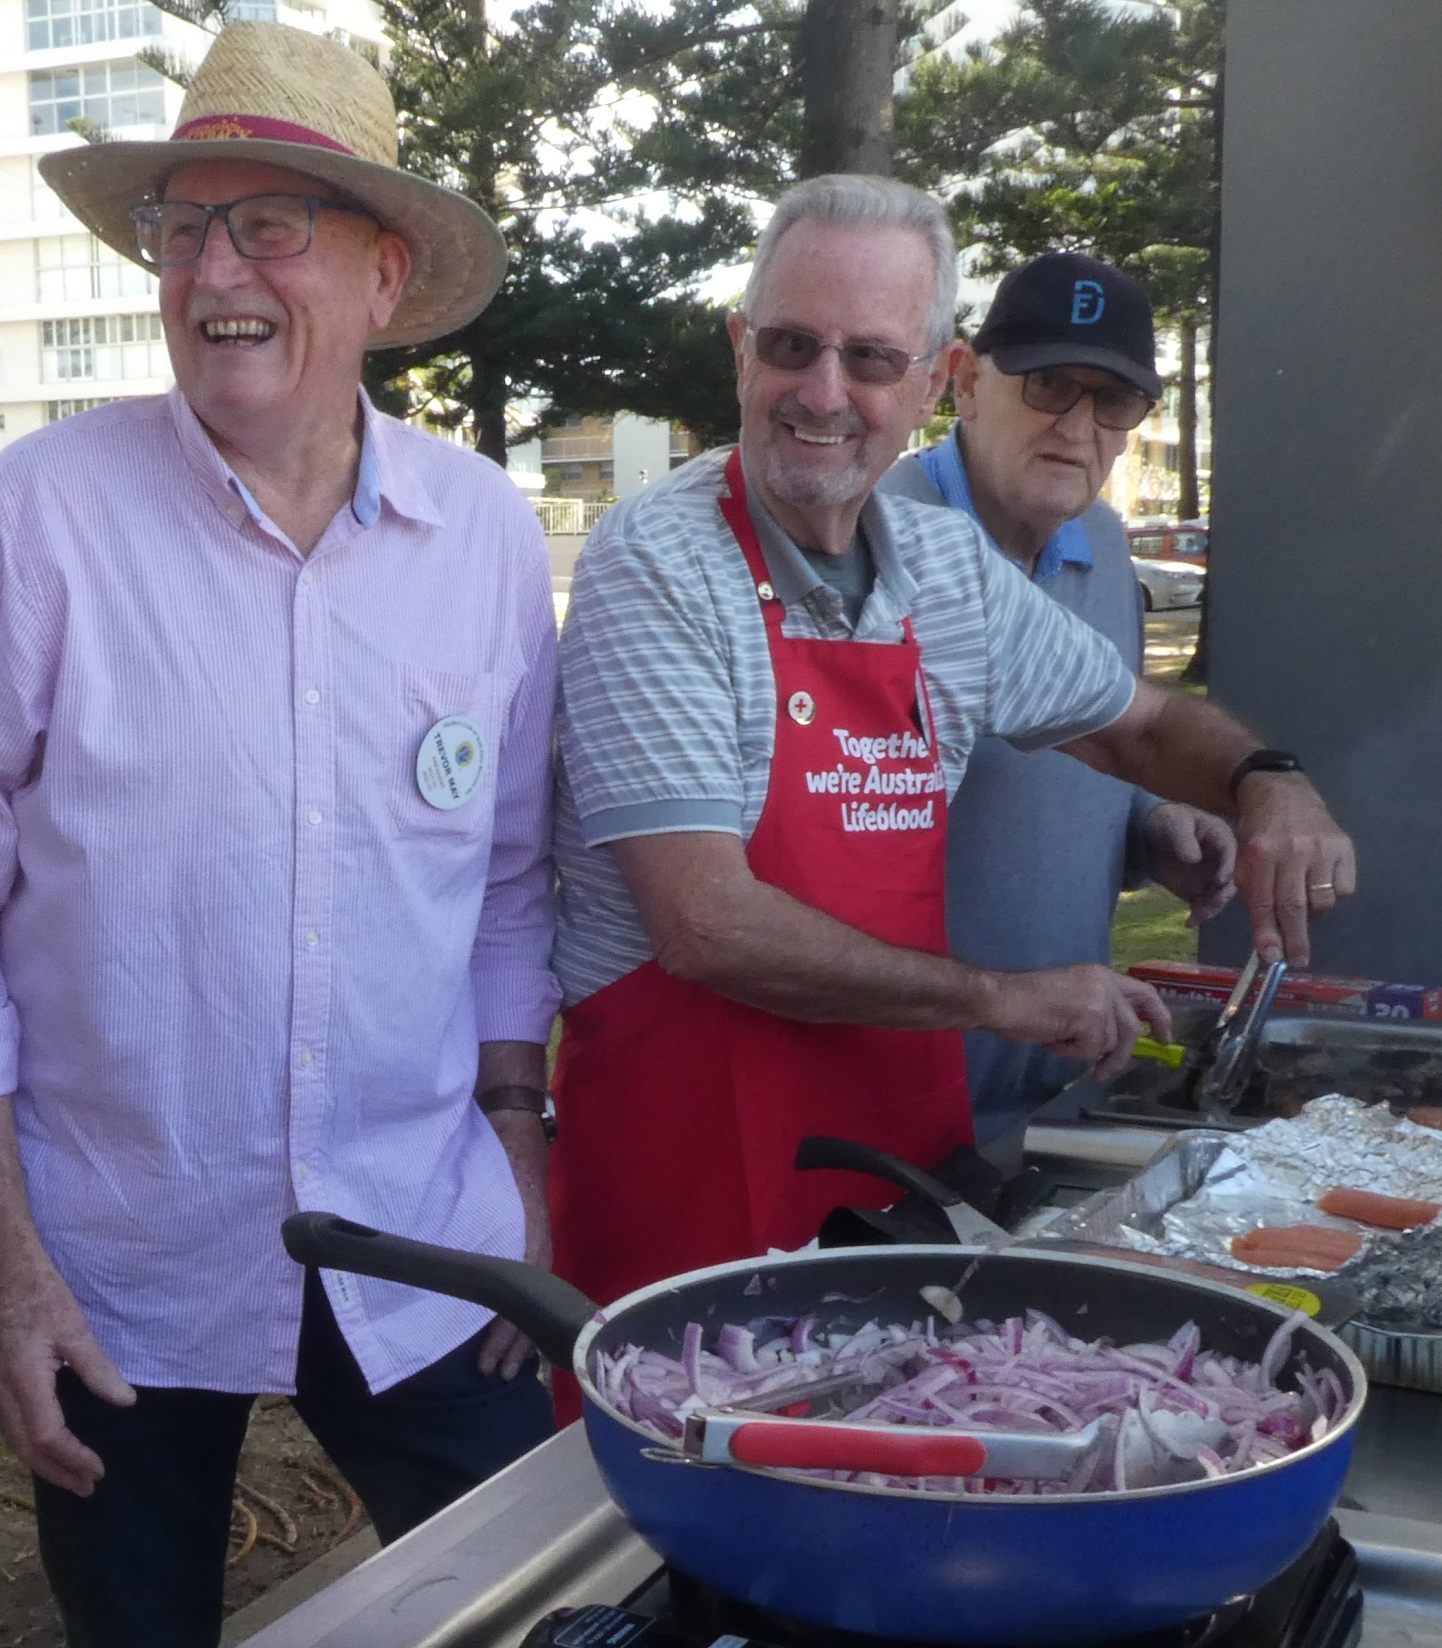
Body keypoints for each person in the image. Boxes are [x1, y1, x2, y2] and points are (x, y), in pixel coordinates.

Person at [0, 21, 559, 1648]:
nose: (214, 272)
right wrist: (8, 1265)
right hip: (114, 1250)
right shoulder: (41, 516)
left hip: (418, 1225)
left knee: (539, 1646)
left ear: (384, 275)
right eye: (183, 227)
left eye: (270, 226)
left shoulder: (484, 533)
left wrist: (519, 1146)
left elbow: (504, 884)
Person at [547, 175, 1355, 1393]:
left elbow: (1138, 726)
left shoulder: (938, 564)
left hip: (893, 1179)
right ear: (739, 349)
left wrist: (1267, 780)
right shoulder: (655, 559)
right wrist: (1002, 997)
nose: (824, 393)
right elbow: (705, 921)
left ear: (929, 380)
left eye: (871, 358)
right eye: (791, 346)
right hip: (693, 1184)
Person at [878, 252, 1237, 1148]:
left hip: (1057, 1093)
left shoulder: (1106, 546)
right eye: (1048, 385)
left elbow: (1097, 745)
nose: (1077, 426)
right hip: (883, 1107)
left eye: (1113, 401)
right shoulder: (876, 536)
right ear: (964, 382)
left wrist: (1151, 827)